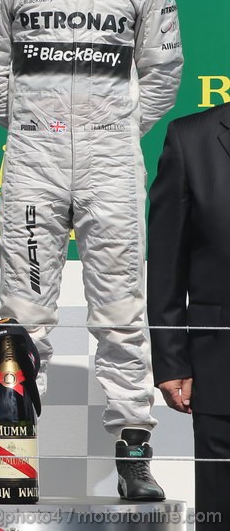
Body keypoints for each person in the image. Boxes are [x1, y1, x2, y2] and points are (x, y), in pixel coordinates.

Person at [0, 0, 182, 500]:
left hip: (111, 165)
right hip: (34, 165)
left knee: (121, 312)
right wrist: (38, 129)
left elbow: (164, 68)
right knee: (24, 314)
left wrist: (110, 134)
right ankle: (16, 452)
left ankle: (133, 450)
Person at [148, 103, 230, 529]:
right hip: (221, 369)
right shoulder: (191, 137)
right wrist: (172, 360)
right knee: (220, 514)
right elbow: (165, 262)